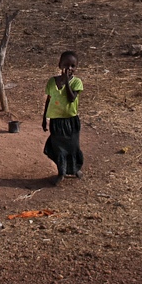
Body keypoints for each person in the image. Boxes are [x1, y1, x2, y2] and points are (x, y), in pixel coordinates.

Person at [42, 50, 84, 186]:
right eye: (66, 65)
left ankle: (75, 169)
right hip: (56, 121)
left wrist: (66, 81)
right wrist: (44, 118)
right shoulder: (51, 82)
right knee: (59, 149)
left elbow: (72, 98)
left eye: (73, 66)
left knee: (73, 147)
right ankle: (61, 172)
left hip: (71, 120)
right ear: (59, 65)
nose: (69, 69)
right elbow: (48, 100)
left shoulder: (77, 82)